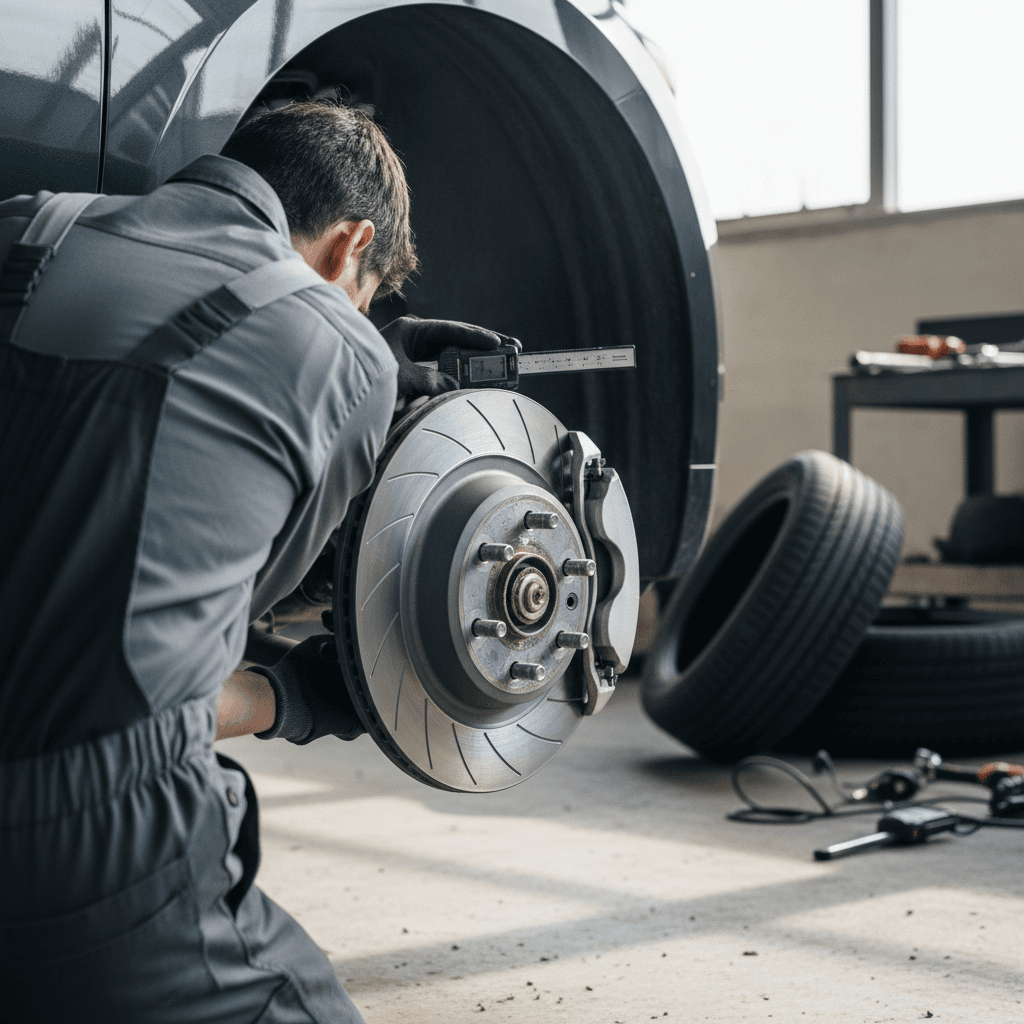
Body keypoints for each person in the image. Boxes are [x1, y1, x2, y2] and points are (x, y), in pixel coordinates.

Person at [0, 100, 515, 1023]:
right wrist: (310, 696)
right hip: (89, 856)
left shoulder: (27, 227)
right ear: (352, 241)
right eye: (364, 294)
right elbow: (187, 659)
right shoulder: (347, 352)